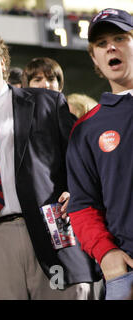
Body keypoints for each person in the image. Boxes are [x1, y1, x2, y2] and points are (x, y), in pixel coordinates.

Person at [0, 25, 100, 299]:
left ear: (2, 62)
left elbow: (84, 160)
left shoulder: (47, 103)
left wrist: (77, 190)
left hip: (54, 231)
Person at [66, 8, 133, 300]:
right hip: (126, 271)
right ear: (94, 58)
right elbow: (82, 206)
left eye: (120, 37)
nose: (111, 47)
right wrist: (106, 253)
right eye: (101, 44)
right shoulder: (87, 128)